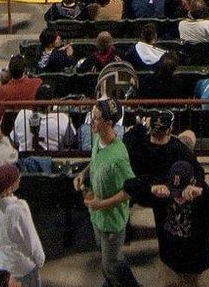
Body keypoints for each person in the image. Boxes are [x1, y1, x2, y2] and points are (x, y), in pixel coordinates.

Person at [126, 159, 209, 287]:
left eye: (181, 193)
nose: (178, 198)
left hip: (193, 265)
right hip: (168, 259)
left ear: (192, 183)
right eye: (175, 192)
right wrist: (151, 188)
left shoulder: (203, 200)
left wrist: (202, 193)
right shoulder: (163, 195)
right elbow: (129, 186)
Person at [79, 99, 143, 287]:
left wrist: (102, 204)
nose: (92, 121)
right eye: (92, 116)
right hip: (97, 217)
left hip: (111, 221)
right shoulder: (98, 139)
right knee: (110, 257)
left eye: (96, 118)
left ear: (108, 122)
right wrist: (83, 174)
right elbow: (95, 160)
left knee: (111, 264)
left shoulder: (119, 157)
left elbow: (130, 190)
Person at [0, 164, 45, 287]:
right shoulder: (18, 209)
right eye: (17, 178)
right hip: (21, 266)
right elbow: (32, 242)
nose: (20, 177)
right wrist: (40, 260)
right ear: (9, 188)